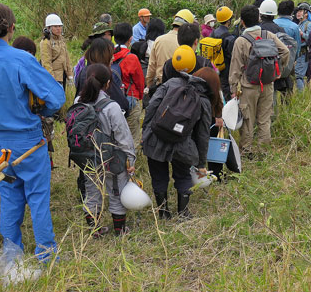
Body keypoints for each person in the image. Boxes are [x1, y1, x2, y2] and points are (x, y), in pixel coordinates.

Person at [0, 3, 66, 264]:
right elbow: (57, 97)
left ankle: (11, 256)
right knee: (38, 199)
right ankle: (46, 254)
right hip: (31, 142)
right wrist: (39, 109)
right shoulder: (21, 59)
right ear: (11, 28)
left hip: (1, 146)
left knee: (10, 200)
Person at [142, 49, 212, 219]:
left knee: (159, 177)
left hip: (156, 139)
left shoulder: (167, 85)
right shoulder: (202, 96)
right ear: (195, 65)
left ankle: (163, 213)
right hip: (183, 144)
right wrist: (201, 162)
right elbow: (203, 134)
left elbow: (151, 108)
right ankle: (183, 212)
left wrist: (146, 133)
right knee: (182, 175)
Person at [77, 63, 136, 236]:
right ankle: (120, 229)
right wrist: (130, 159)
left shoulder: (77, 102)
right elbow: (123, 136)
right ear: (108, 83)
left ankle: (94, 230)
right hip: (111, 157)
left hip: (87, 155)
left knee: (92, 190)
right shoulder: (112, 107)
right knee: (116, 190)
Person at [228, 5, 289, 155]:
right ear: (259, 19)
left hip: (248, 86)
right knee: (265, 118)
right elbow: (285, 51)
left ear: (242, 22)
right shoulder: (268, 35)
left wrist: (233, 89)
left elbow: (235, 68)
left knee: (248, 120)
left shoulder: (241, 41)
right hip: (267, 84)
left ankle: (246, 150)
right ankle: (264, 150)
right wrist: (278, 72)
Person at [12, 36, 57, 170]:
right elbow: (53, 97)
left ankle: (48, 163)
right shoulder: (30, 70)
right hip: (32, 121)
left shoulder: (8, 70)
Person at [113, 22, 145, 148]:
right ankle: (130, 165)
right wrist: (140, 97)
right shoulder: (131, 58)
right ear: (130, 38)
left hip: (112, 100)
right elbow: (139, 82)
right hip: (130, 98)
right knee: (132, 137)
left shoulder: (109, 55)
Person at [145, 9, 194, 91]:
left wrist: (149, 85)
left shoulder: (159, 40)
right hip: (180, 86)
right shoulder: (185, 42)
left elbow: (152, 66)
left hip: (161, 85)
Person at [40, 13, 71, 92]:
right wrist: (51, 80)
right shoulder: (46, 42)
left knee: (61, 100)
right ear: (49, 28)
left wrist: (70, 75)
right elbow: (46, 63)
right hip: (54, 78)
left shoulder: (62, 40)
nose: (58, 29)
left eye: (60, 26)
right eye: (55, 26)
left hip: (63, 75)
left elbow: (66, 58)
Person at [211, 6, 237, 101]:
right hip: (225, 69)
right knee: (226, 93)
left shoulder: (213, 33)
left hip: (213, 67)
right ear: (229, 20)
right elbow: (233, 55)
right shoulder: (229, 37)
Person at [295, 2, 311, 90]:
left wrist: (302, 34)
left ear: (306, 13)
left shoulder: (309, 25)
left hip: (303, 54)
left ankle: (301, 96)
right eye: (297, 11)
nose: (298, 13)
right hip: (298, 53)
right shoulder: (299, 24)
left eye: (300, 11)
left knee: (298, 76)